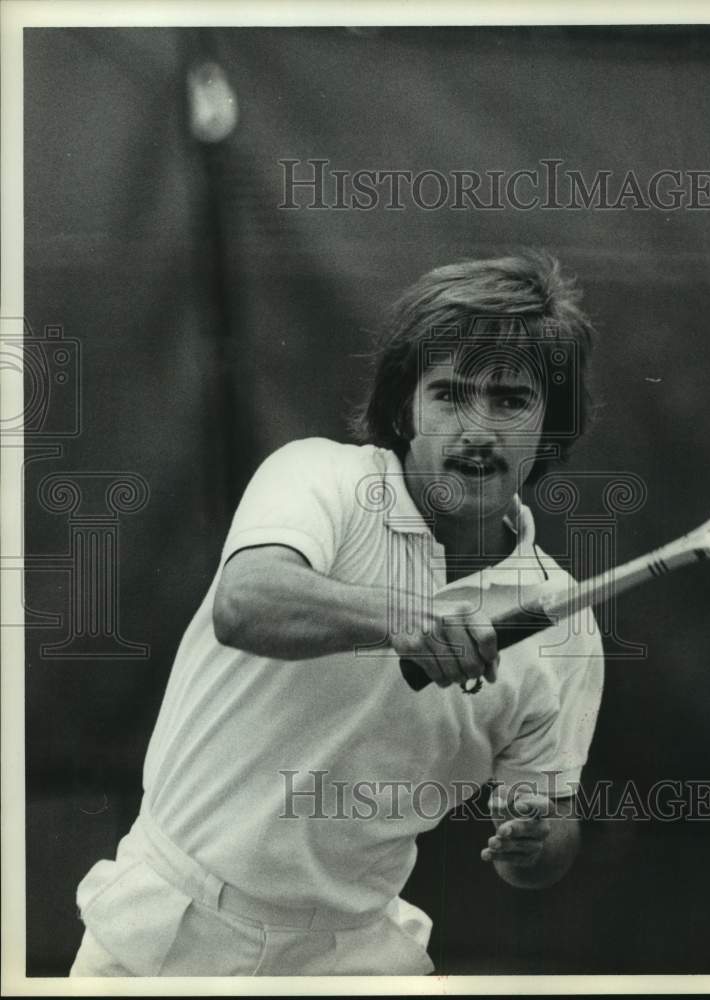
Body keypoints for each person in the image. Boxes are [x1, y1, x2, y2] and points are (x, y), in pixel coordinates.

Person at [70, 248, 605, 977]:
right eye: (448, 394)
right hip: (164, 930)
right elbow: (247, 602)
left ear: (551, 426)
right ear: (404, 409)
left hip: (351, 957)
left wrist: (537, 841)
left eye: (510, 400)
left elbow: (545, 830)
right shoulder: (318, 477)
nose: (476, 430)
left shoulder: (564, 630)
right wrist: (400, 617)